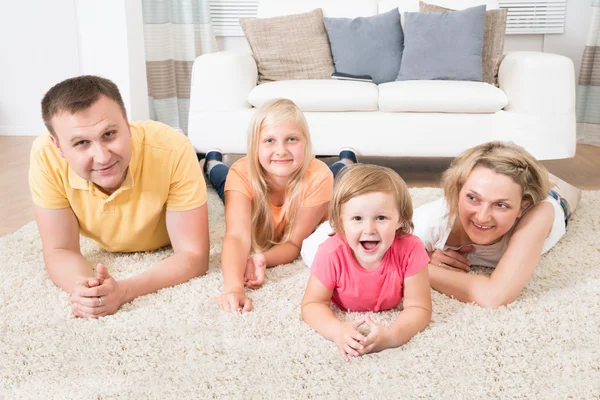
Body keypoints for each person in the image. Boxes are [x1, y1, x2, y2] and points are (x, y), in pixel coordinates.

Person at [29, 75, 210, 318]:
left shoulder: (174, 148)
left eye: (109, 134)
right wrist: (86, 289)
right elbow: (60, 248)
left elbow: (193, 256)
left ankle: (212, 165)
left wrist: (124, 290)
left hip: (169, 219)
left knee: (224, 184)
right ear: (58, 147)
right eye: (82, 142)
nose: (103, 157)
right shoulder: (45, 156)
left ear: (127, 124)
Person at [206, 98, 356, 313]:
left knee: (335, 173)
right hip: (253, 182)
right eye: (269, 141)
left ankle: (347, 160)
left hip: (313, 181)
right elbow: (236, 236)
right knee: (221, 177)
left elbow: (294, 244)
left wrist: (261, 258)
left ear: (306, 143)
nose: (281, 150)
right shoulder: (242, 172)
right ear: (254, 147)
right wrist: (234, 288)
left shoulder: (318, 176)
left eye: (291, 139)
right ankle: (212, 162)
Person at [413, 141, 581, 308]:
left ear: (521, 208)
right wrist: (423, 257)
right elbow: (387, 260)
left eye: (501, 205)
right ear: (458, 191)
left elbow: (494, 296)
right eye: (473, 197)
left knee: (568, 189)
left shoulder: (539, 213)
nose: (482, 217)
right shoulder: (428, 221)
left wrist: (418, 267)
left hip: (557, 196)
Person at [300, 164, 431, 361]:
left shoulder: (411, 249)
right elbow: (312, 304)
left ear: (400, 220)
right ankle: (343, 167)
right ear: (340, 222)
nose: (369, 229)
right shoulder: (330, 252)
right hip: (319, 248)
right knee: (308, 251)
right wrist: (336, 331)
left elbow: (419, 308)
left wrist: (392, 335)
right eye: (357, 218)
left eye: (381, 217)